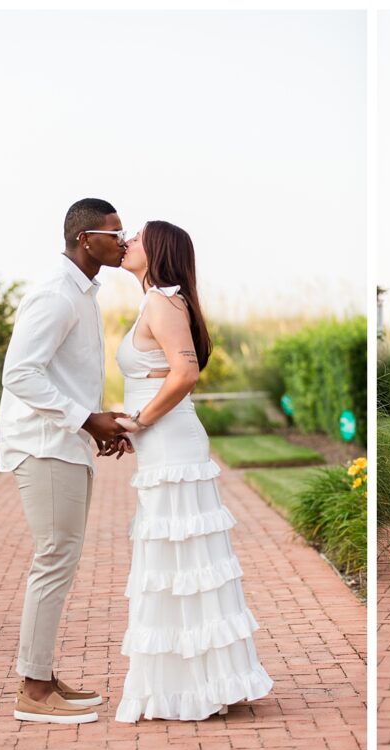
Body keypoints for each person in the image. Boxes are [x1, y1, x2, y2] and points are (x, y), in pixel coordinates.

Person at [112, 221, 273, 722]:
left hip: (171, 445)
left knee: (184, 564)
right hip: (162, 442)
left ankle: (201, 685)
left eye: (136, 238)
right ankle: (194, 681)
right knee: (176, 565)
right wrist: (130, 424)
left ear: (155, 250)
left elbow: (185, 373)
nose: (126, 244)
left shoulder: (162, 302)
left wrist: (137, 421)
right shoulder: (157, 301)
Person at [0, 198, 130, 723]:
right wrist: (85, 419)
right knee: (53, 558)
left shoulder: (82, 293)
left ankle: (44, 675)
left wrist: (94, 421)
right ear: (85, 239)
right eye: (114, 233)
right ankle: (32, 691)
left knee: (61, 558)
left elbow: (63, 374)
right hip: (44, 444)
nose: (123, 241)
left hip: (64, 441)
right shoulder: (56, 294)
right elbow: (20, 374)